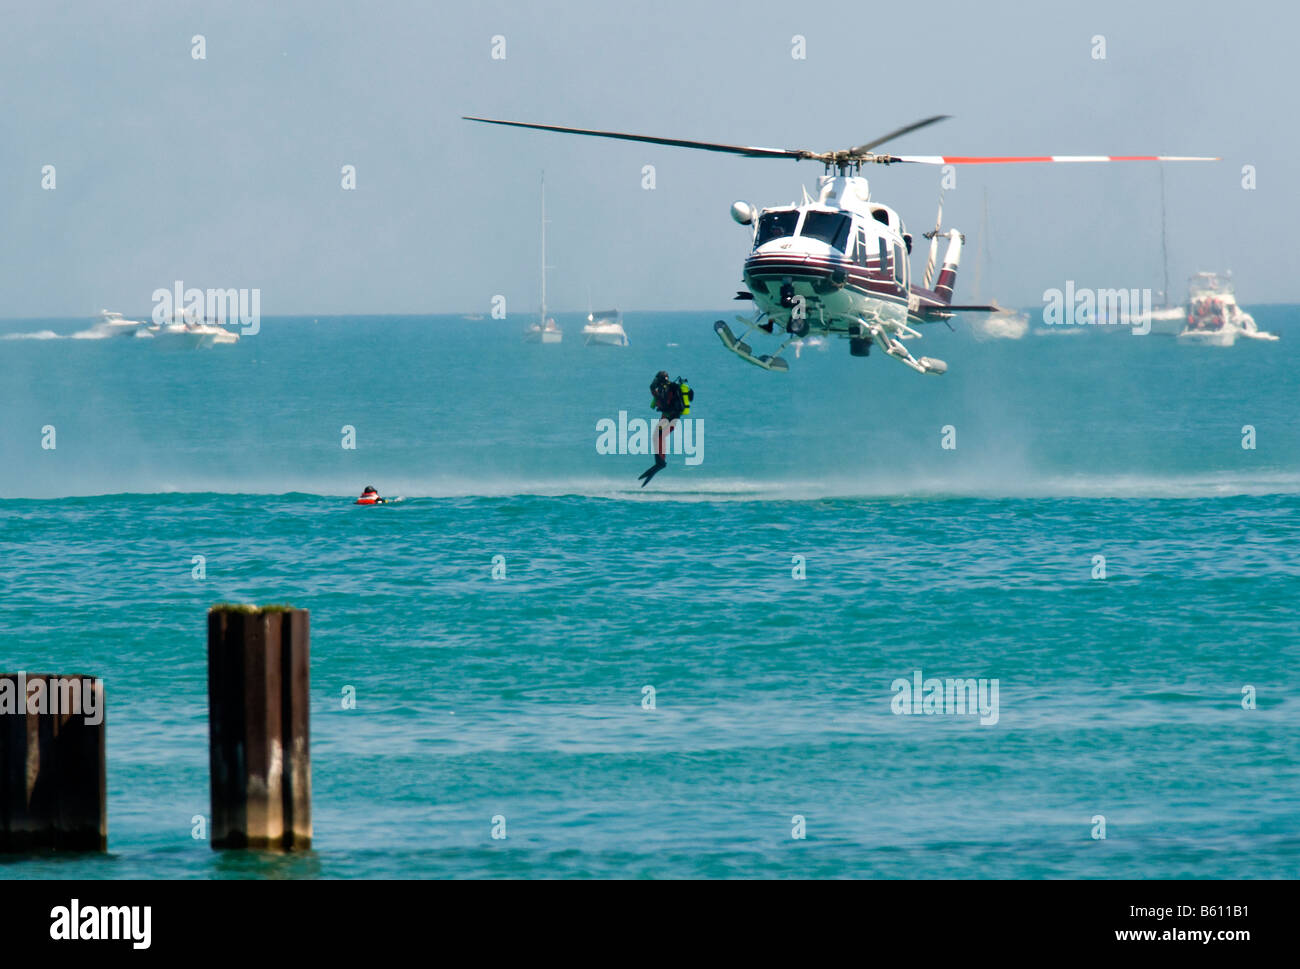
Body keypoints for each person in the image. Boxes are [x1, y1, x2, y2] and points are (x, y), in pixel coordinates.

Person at [638, 371, 693, 487]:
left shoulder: (665, 389)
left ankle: (660, 463)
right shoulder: (671, 387)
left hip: (670, 419)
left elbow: (657, 395)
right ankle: (660, 462)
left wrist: (654, 387)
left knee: (658, 437)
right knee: (658, 437)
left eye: (657, 379)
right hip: (669, 418)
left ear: (660, 379)